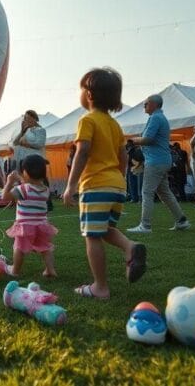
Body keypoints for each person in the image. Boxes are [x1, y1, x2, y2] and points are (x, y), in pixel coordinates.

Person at [62, 68, 147, 299]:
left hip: (96, 184)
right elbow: (124, 157)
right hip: (117, 185)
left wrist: (71, 185)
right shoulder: (114, 125)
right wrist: (118, 180)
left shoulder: (87, 120)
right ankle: (130, 247)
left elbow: (83, 151)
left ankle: (100, 287)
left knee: (92, 235)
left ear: (89, 94)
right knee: (106, 229)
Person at [127, 95, 191, 234]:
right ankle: (182, 221)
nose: (144, 106)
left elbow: (148, 139)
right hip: (162, 160)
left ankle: (145, 226)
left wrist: (133, 141)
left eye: (146, 104)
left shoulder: (155, 118)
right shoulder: (159, 117)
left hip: (155, 162)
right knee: (165, 193)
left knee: (147, 192)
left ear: (154, 104)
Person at [2, 154, 58, 278]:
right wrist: (22, 180)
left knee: (19, 247)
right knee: (45, 248)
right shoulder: (45, 190)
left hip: (25, 227)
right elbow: (32, 186)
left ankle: (15, 270)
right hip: (41, 226)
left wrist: (9, 182)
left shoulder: (23, 189)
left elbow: (4, 197)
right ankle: (50, 269)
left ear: (25, 172)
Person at [124, 139, 144, 203]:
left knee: (136, 184)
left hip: (136, 168)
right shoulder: (133, 150)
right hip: (133, 168)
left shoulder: (135, 150)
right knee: (134, 184)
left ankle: (137, 198)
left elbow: (140, 160)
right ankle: (135, 198)